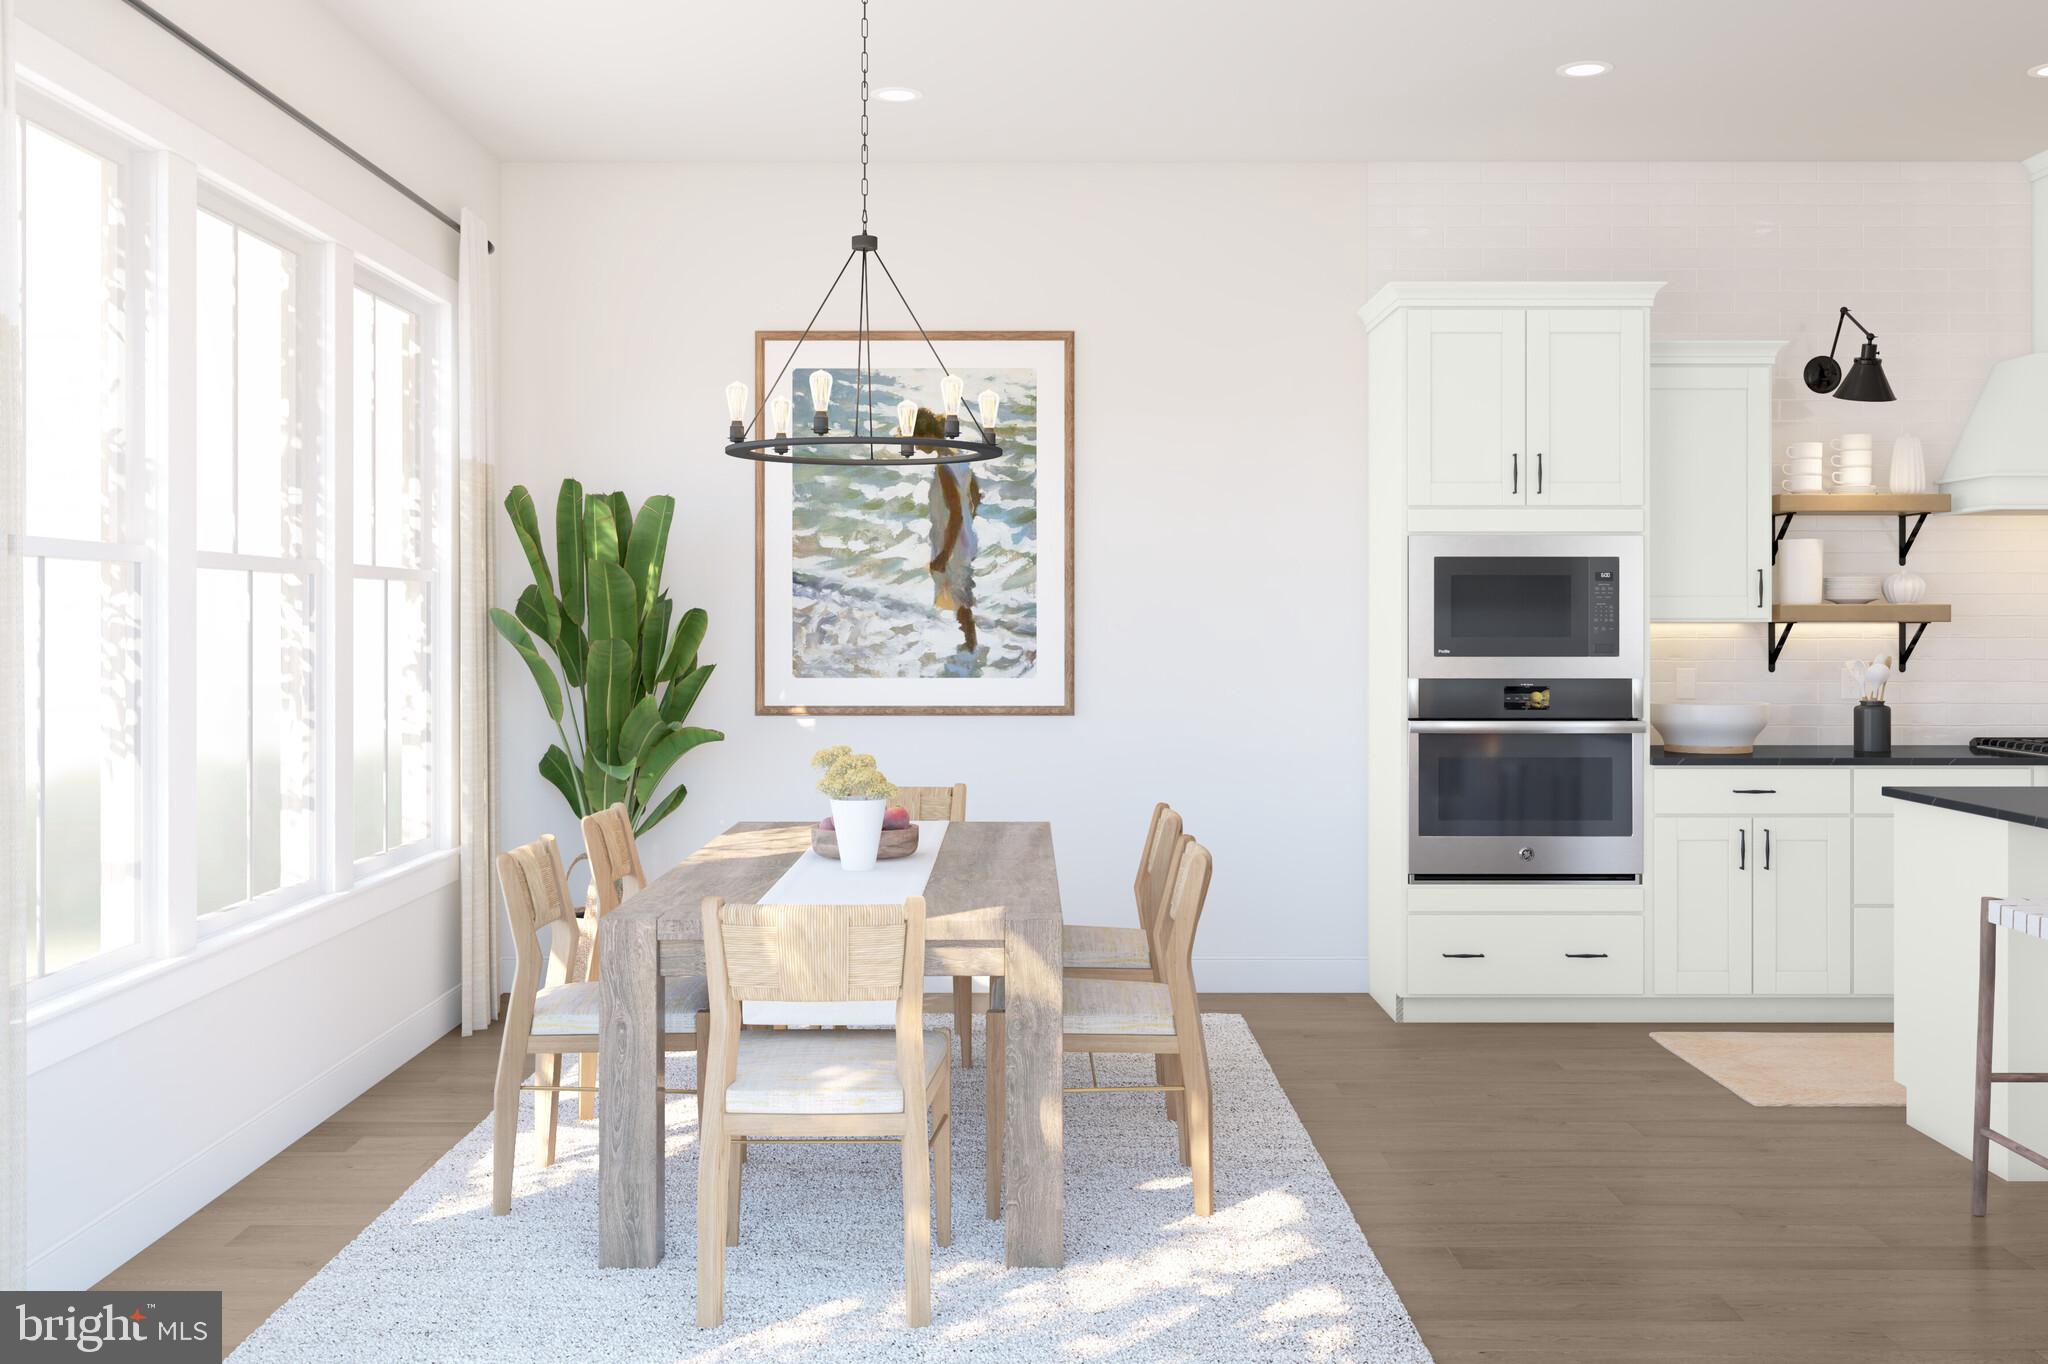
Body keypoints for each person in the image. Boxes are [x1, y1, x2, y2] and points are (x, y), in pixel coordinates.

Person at [918, 406, 979, 654]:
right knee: (960, 590)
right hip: (963, 536)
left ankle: (970, 646)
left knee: (960, 594)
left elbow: (954, 512)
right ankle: (969, 644)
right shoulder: (959, 456)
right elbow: (975, 493)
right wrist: (968, 520)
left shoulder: (944, 465)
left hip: (952, 539)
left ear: (928, 435)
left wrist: (944, 552)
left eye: (917, 441)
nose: (917, 448)